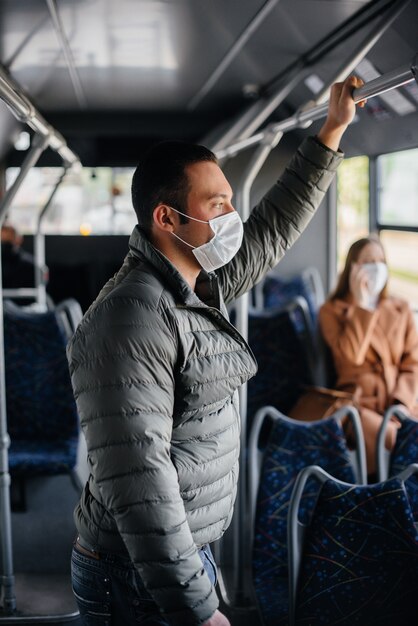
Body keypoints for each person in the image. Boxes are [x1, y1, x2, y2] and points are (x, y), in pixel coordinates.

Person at [67, 76, 363, 626]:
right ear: (168, 218)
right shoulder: (132, 319)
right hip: (136, 572)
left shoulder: (199, 282)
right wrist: (197, 608)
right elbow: (142, 485)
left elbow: (271, 230)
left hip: (171, 557)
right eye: (218, 204)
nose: (231, 217)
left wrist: (332, 129)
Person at [318, 235, 418, 473]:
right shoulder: (331, 311)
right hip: (360, 405)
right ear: (354, 267)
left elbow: (413, 362)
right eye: (368, 261)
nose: (376, 266)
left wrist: (402, 402)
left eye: (380, 260)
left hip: (400, 399)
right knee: (393, 439)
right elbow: (350, 357)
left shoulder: (399, 308)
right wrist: (361, 307)